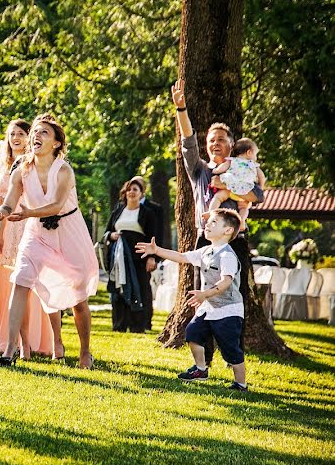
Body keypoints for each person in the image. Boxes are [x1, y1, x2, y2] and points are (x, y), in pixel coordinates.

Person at [0, 114, 99, 368]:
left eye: (44, 133)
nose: (36, 136)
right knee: (21, 280)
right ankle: (9, 349)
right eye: (35, 132)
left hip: (68, 232)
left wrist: (27, 213)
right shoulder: (22, 169)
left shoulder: (63, 170)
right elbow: (9, 202)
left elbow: (56, 205)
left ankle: (84, 352)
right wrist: (1, 213)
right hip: (36, 233)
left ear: (57, 143)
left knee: (78, 299)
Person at [171, 79, 264, 305]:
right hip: (206, 239)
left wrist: (227, 186)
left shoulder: (244, 171)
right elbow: (188, 140)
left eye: (221, 140)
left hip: (235, 239)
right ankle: (202, 340)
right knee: (200, 299)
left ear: (232, 145)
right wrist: (181, 108)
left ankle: (233, 341)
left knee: (235, 297)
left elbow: (257, 196)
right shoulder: (199, 170)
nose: (215, 144)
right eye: (211, 140)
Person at [136, 209, 249, 391]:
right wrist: (157, 251)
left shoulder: (227, 255)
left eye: (214, 222)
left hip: (228, 309)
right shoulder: (205, 251)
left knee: (230, 348)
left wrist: (205, 294)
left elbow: (226, 281)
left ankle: (241, 384)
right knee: (192, 333)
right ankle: (200, 369)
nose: (208, 225)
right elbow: (181, 257)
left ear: (228, 230)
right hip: (209, 307)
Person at [0, 120, 53, 357]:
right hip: (2, 225)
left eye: (21, 133)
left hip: (26, 222)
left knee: (25, 283)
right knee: (3, 283)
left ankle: (30, 342)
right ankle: (1, 337)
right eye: (12, 134)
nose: (16, 138)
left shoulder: (33, 165)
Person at [103, 178, 159, 333]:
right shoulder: (118, 211)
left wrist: (152, 257)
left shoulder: (147, 213)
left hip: (139, 257)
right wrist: (111, 235)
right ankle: (119, 324)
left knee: (140, 289)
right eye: (129, 189)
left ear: (141, 194)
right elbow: (107, 232)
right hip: (119, 258)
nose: (132, 192)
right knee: (118, 290)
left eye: (135, 190)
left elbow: (153, 236)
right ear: (125, 193)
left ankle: (139, 325)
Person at [206, 138, 265, 231]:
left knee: (218, 197)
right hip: (245, 189)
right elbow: (262, 177)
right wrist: (260, 188)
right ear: (249, 152)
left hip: (231, 186)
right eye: (256, 154)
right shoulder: (253, 165)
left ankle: (211, 212)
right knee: (244, 208)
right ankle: (241, 221)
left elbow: (223, 167)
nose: (256, 157)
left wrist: (215, 171)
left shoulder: (232, 160)